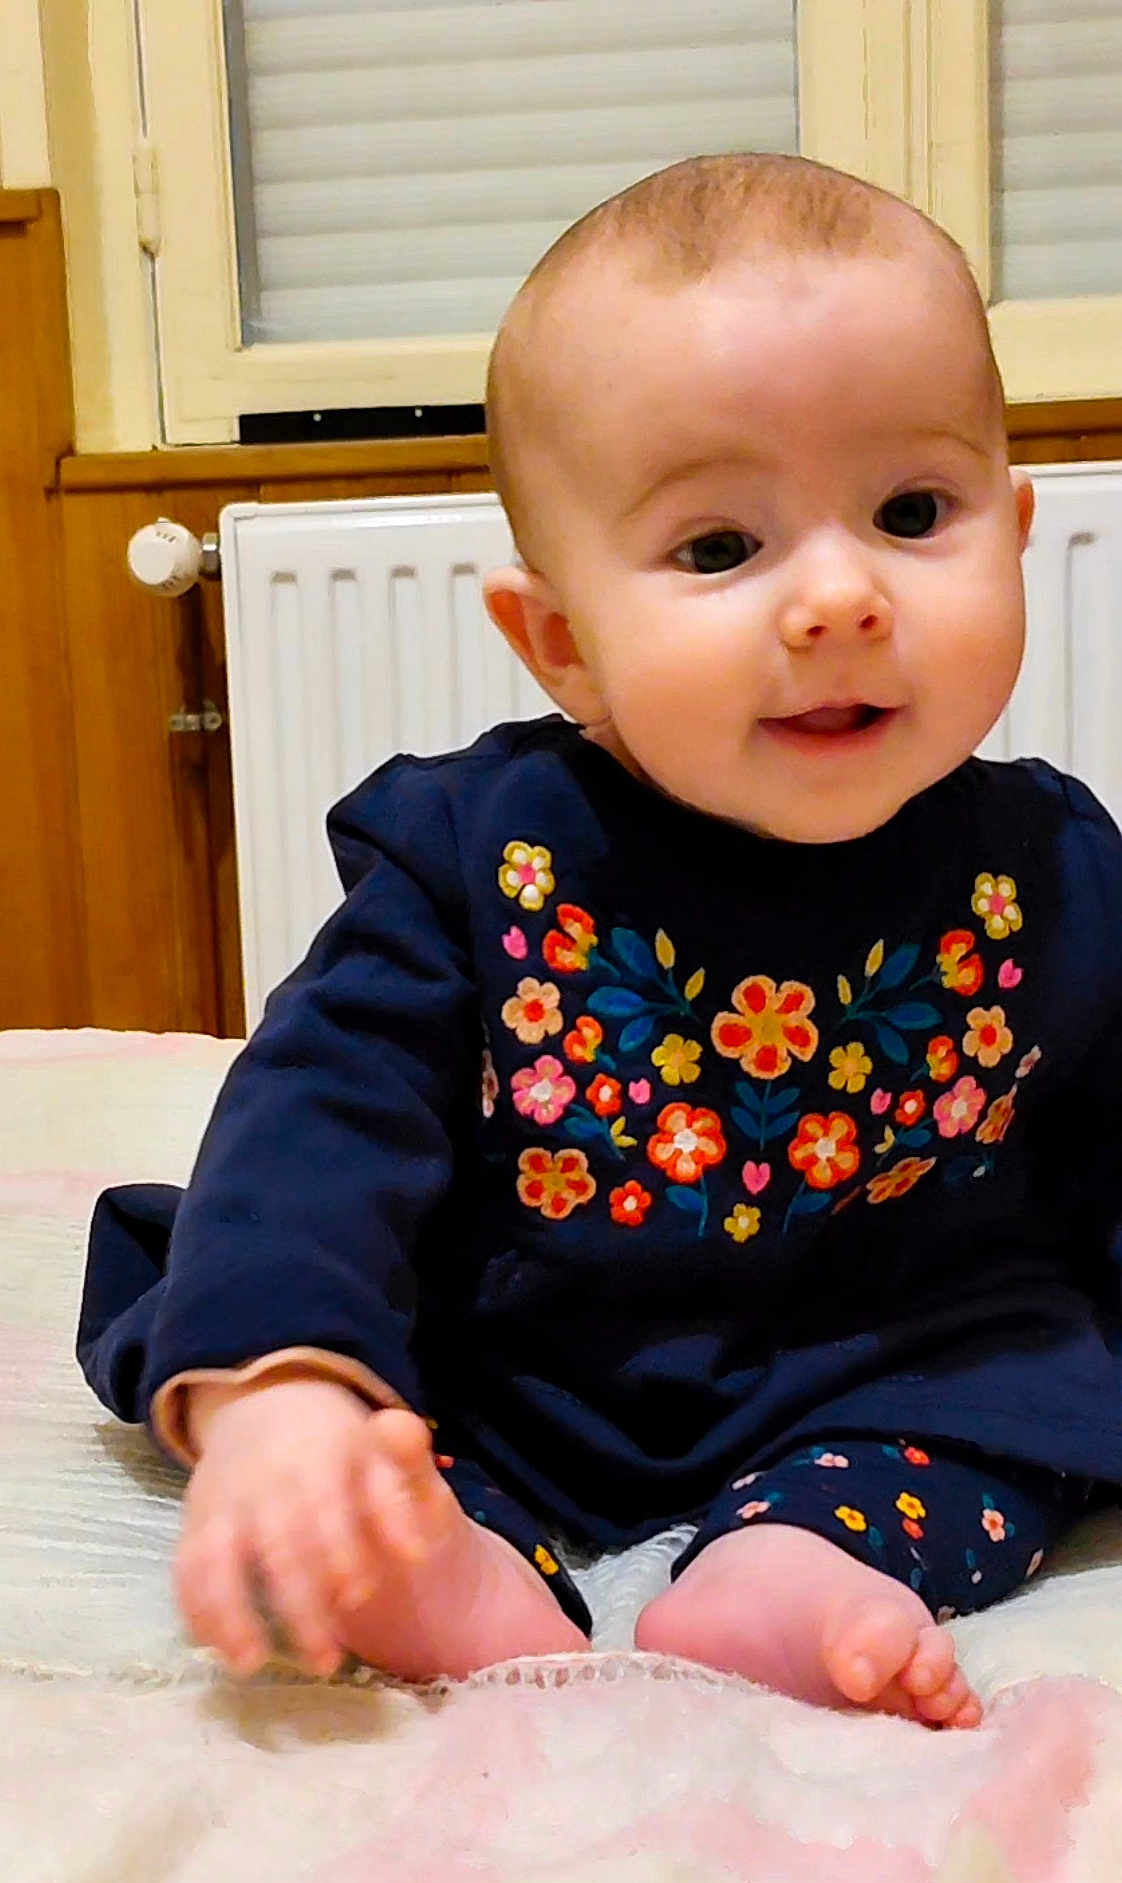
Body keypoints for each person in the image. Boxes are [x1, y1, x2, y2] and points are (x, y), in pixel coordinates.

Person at [79, 153, 1122, 1732]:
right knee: (365, 1441)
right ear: (561, 641)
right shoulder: (472, 855)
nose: (838, 595)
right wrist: (283, 1387)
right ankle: (442, 1565)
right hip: (519, 1365)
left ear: (1013, 531)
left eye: (910, 513)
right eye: (718, 548)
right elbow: (318, 1121)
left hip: (891, 1361)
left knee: (1033, 1389)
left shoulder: (1049, 864)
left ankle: (793, 1562)